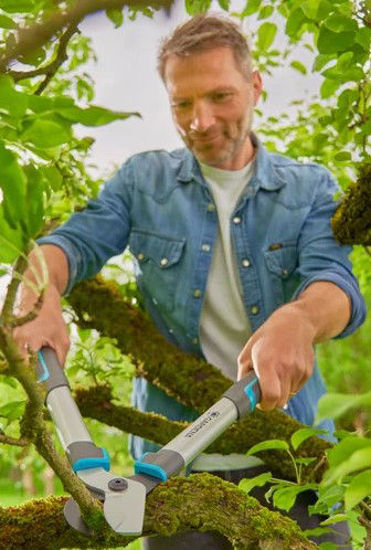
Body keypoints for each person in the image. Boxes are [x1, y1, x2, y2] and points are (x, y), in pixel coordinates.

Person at [15, 14, 365, 549]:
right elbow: (73, 243)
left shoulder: (309, 186)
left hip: (294, 459)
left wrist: (298, 319)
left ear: (254, 87)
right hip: (172, 470)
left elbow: (335, 283)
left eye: (219, 96)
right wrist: (37, 293)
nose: (199, 121)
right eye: (182, 104)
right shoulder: (142, 182)